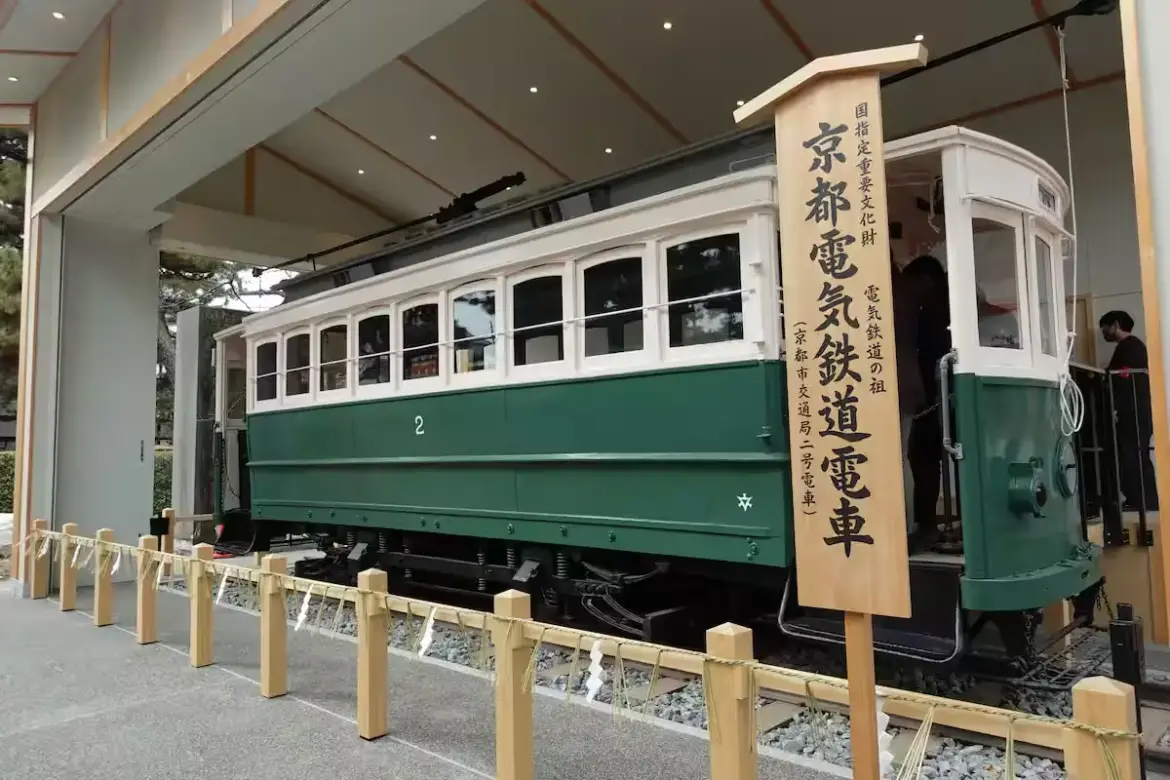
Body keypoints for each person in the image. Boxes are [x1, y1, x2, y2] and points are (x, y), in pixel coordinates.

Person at [902, 255, 952, 551]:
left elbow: (927, 351)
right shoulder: (954, 298)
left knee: (921, 456)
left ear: (925, 280)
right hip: (944, 391)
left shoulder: (933, 307)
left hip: (936, 393)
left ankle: (927, 526)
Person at [1099, 310, 1159, 511]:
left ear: (1115, 325)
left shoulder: (1129, 348)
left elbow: (1121, 380)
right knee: (1135, 455)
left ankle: (1142, 500)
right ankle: (1144, 500)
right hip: (1138, 412)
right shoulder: (1135, 346)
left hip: (1133, 413)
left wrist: (1115, 406)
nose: (1103, 333)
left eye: (1105, 328)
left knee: (1131, 456)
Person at [891, 257, 924, 533]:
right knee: (902, 457)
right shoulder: (907, 291)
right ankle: (908, 526)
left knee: (893, 459)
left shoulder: (880, 289)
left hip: (888, 384)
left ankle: (900, 528)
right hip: (908, 383)